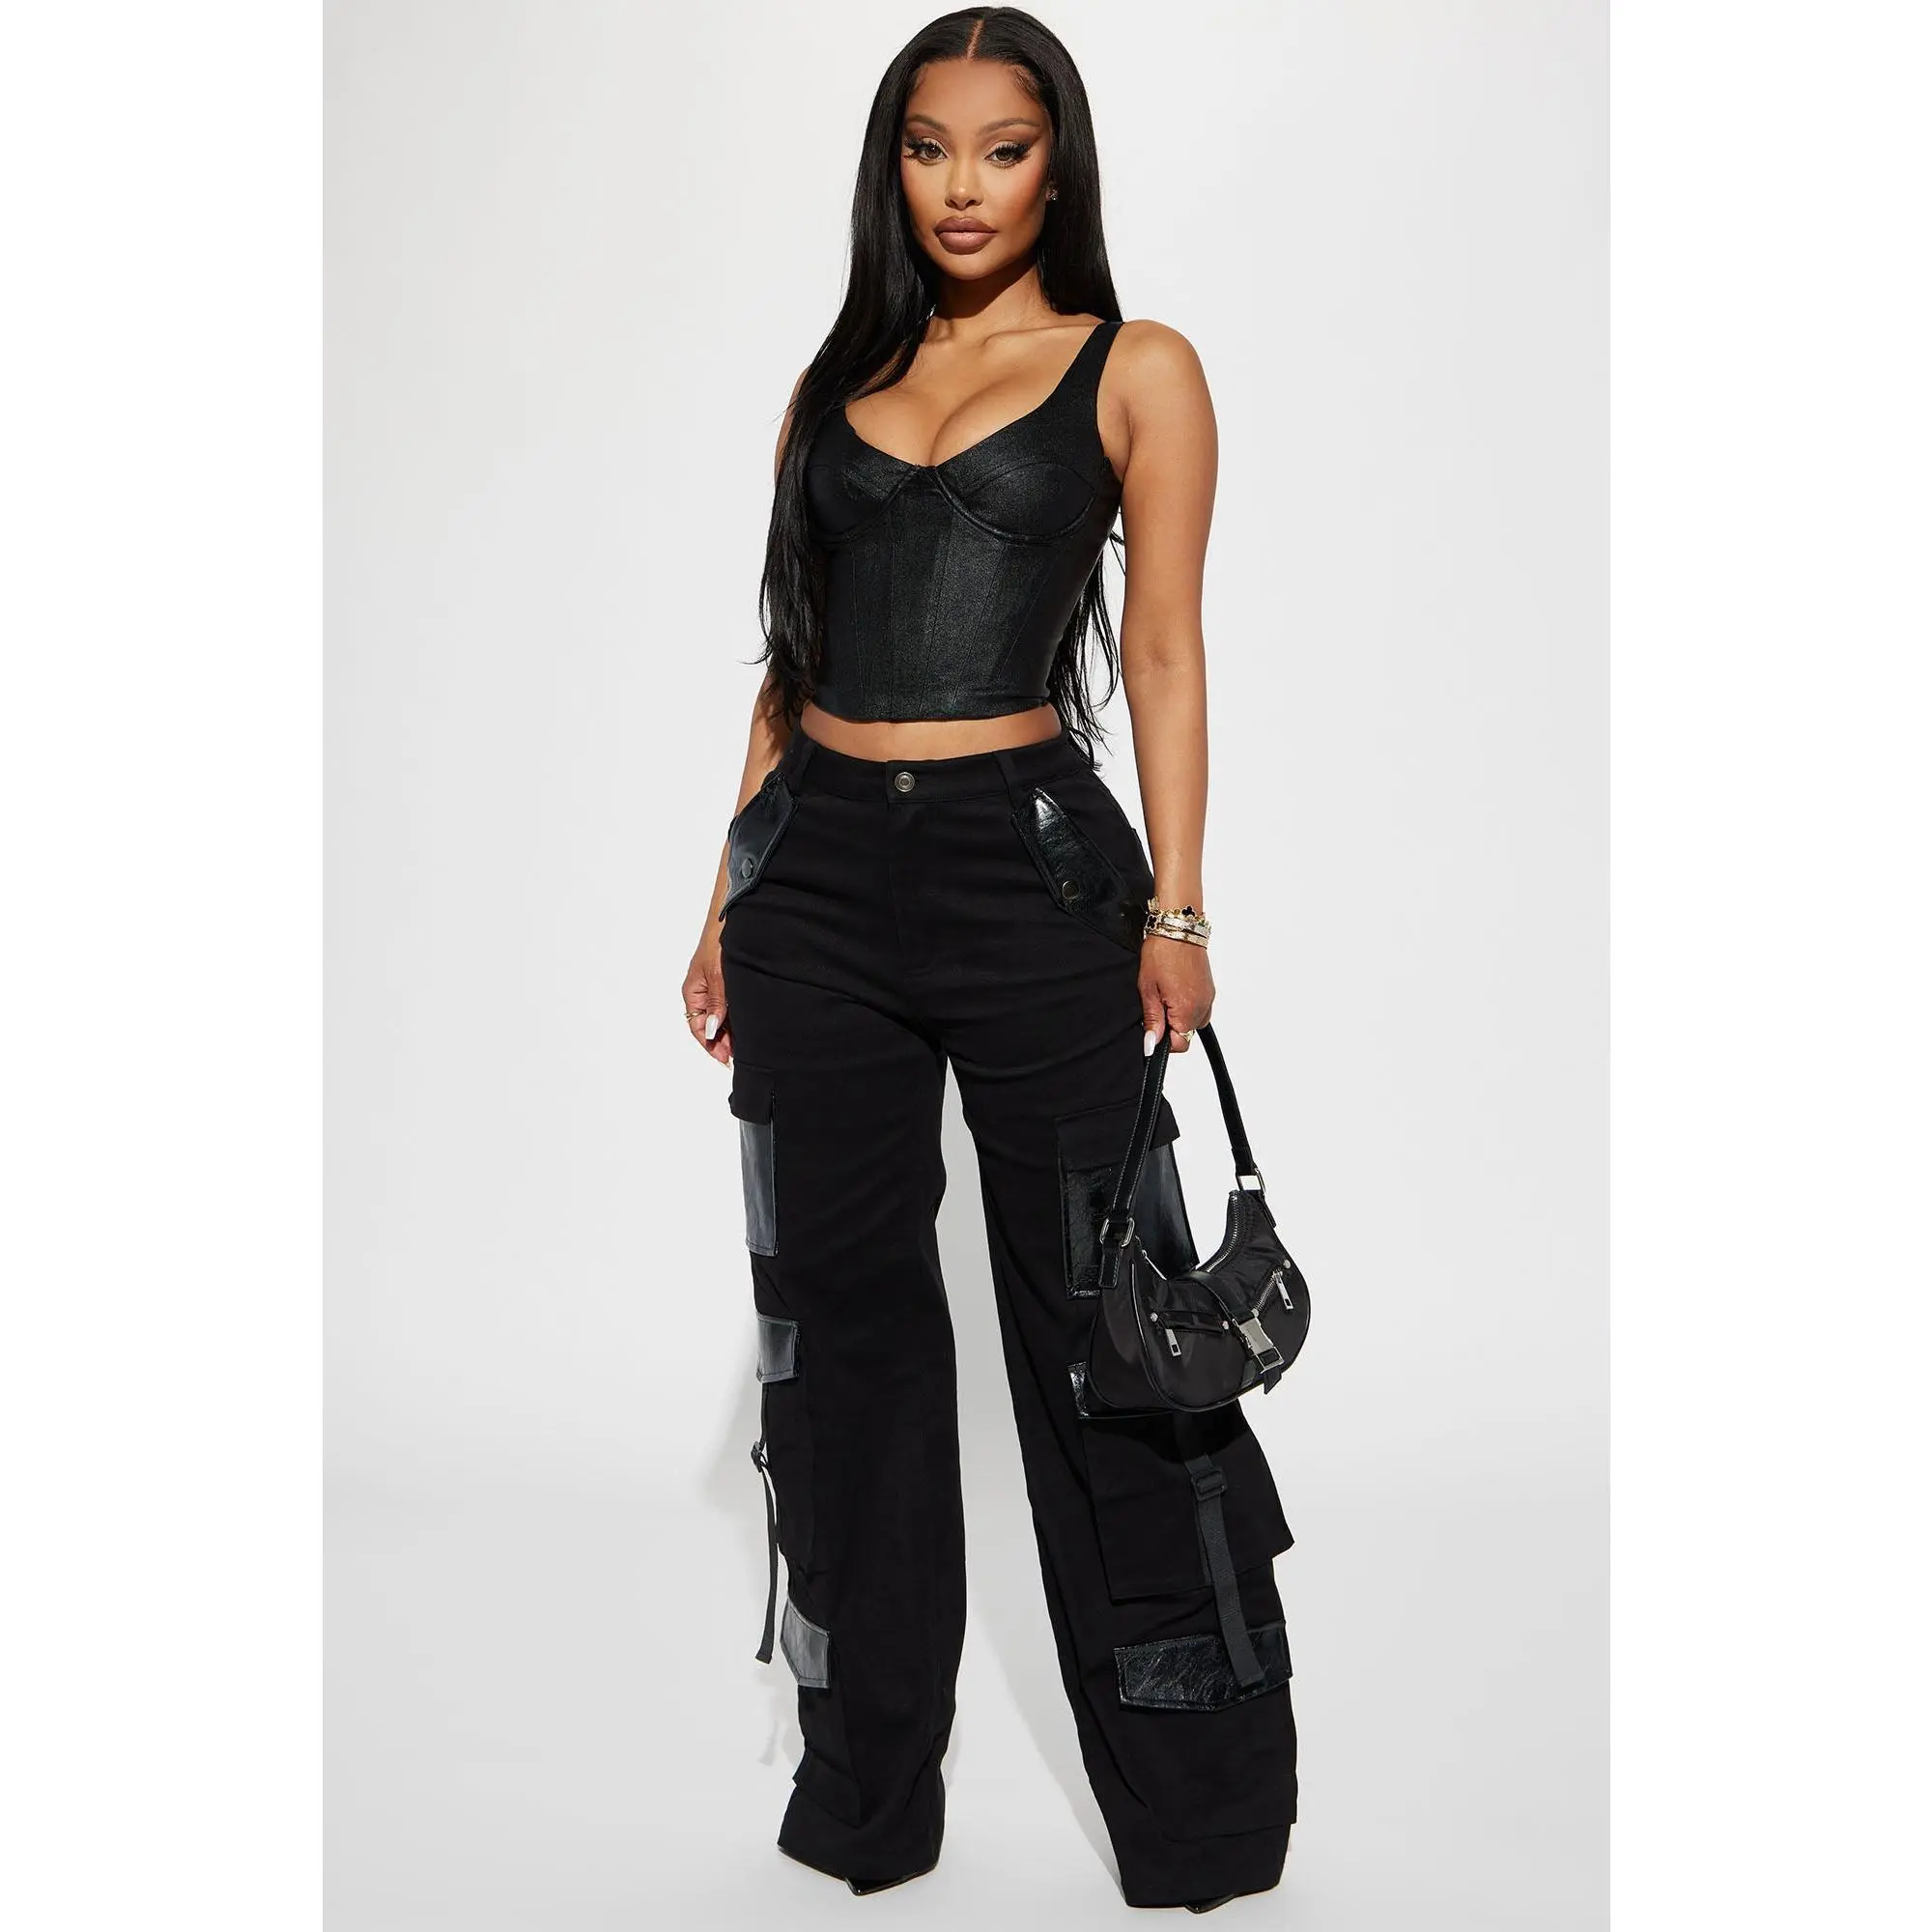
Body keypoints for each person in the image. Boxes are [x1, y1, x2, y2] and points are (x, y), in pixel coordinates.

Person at [681, 8, 1298, 1912]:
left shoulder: (1137, 366)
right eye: (928, 146)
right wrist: (723, 891)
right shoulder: (830, 387)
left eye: (1002, 149)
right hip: (813, 883)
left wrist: (1178, 907)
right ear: (893, 166)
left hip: (1030, 871)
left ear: (1057, 165)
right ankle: (867, 1805)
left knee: (1112, 1335)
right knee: (838, 1337)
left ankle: (1201, 1827)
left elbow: (1167, 648)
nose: (962, 186)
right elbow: (791, 663)